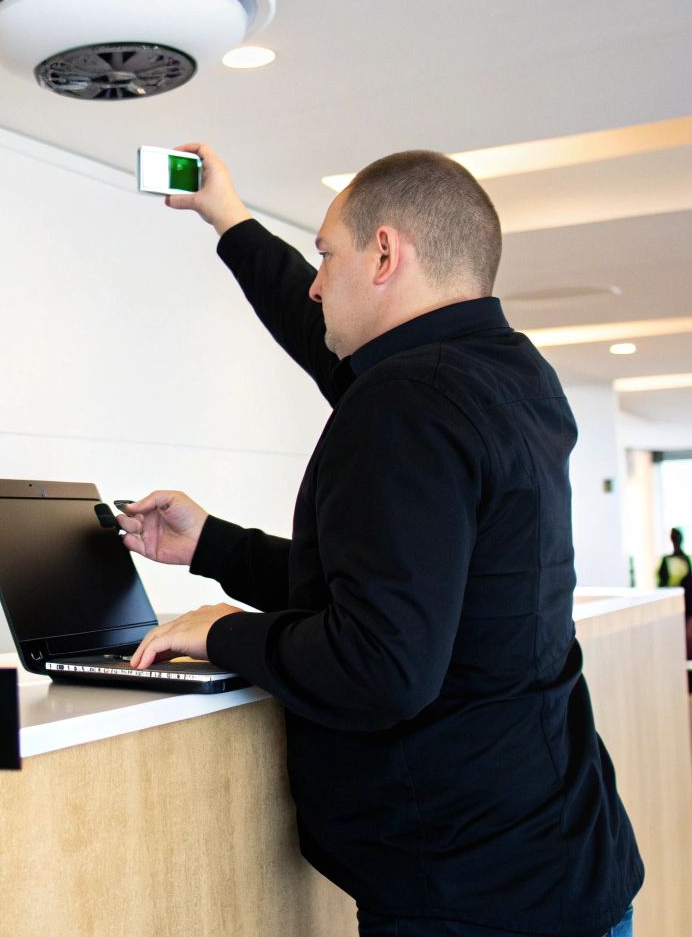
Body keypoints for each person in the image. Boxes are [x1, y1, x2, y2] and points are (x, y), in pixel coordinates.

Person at [115, 145, 642, 936]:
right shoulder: (507, 373)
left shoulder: (409, 402)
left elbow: (381, 666)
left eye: (328, 255)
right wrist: (214, 547)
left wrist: (223, 631)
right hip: (554, 858)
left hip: (472, 899)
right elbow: (404, 588)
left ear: (386, 254)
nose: (318, 282)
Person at [658, 528, 692, 659]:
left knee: (690, 647)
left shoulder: (686, 560)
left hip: (688, 611)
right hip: (673, 612)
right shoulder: (667, 561)